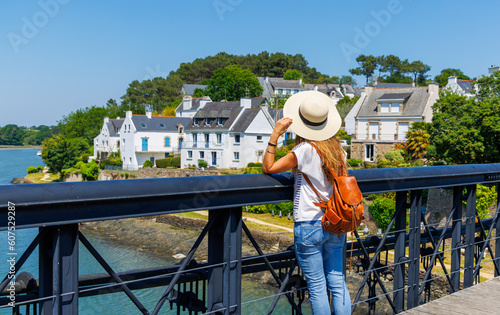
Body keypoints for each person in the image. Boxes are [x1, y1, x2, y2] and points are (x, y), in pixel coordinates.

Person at [262, 91, 351, 314]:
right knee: (337, 281)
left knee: (317, 287)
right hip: (336, 222)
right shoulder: (339, 152)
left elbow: (269, 167)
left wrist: (275, 134)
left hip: (310, 223)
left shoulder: (304, 150)